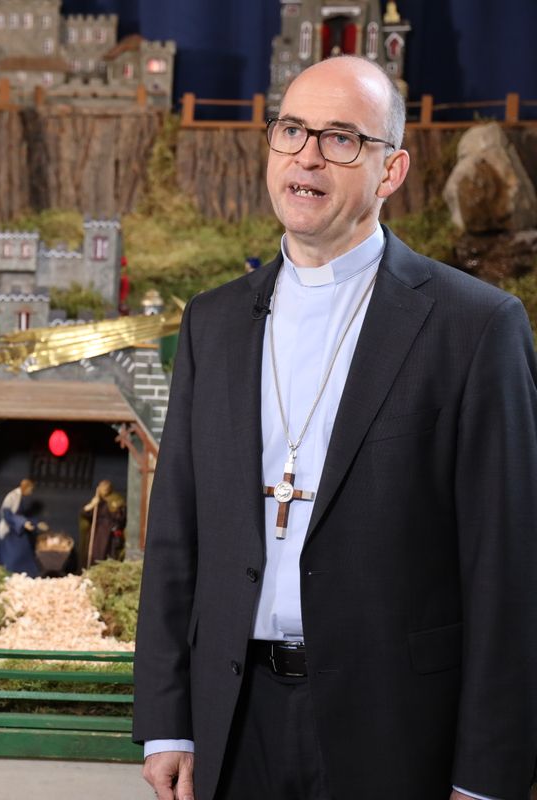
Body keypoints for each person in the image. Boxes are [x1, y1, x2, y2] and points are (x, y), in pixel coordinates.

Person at [132, 56, 537, 800]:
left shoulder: (476, 328)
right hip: (234, 719)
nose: (308, 157)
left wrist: (487, 777)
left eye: (342, 138)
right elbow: (175, 535)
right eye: (291, 130)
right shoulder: (212, 323)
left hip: (396, 727)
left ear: (391, 171)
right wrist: (168, 722)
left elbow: (507, 568)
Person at [0, 478, 42, 577]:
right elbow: (7, 515)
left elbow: (22, 515)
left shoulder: (21, 498)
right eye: (30, 489)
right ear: (26, 488)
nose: (31, 492)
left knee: (26, 549)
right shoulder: (12, 497)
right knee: (13, 555)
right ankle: (10, 573)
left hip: (17, 529)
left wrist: (36, 523)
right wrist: (23, 523)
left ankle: (27, 574)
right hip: (10, 530)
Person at [80, 479, 125, 568]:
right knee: (96, 552)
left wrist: (115, 511)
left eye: (106, 488)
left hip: (110, 532)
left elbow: (121, 516)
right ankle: (94, 567)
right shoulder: (97, 500)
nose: (104, 490)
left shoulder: (116, 499)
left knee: (108, 552)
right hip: (98, 532)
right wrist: (92, 504)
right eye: (102, 488)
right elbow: (84, 513)